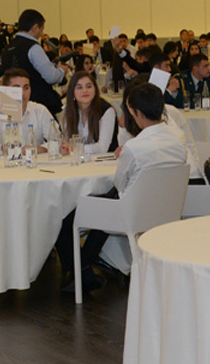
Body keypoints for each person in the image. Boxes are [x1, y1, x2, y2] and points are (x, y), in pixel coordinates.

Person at [53, 82, 188, 292]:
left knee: (65, 218)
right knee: (100, 206)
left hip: (132, 212)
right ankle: (83, 272)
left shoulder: (134, 147)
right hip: (168, 207)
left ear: (136, 113)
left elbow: (119, 182)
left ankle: (79, 271)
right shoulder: (178, 138)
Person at [0, 68, 55, 153]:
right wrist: (1, 148)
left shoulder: (40, 111)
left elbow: (57, 139)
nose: (23, 93)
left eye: (26, 88)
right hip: (4, 160)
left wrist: (40, 148)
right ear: (6, 90)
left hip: (34, 159)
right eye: (16, 88)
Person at [4, 9, 67, 115]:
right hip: (35, 105)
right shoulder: (33, 47)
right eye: (41, 30)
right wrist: (61, 71)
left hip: (11, 105)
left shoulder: (7, 48)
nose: (41, 34)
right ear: (35, 28)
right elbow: (51, 77)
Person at [59, 70, 117, 156]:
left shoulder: (106, 111)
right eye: (79, 87)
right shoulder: (68, 110)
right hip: (78, 159)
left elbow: (102, 148)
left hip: (104, 160)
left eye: (89, 86)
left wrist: (73, 147)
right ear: (72, 92)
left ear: (95, 89)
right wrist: (65, 148)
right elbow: (66, 141)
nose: (85, 90)